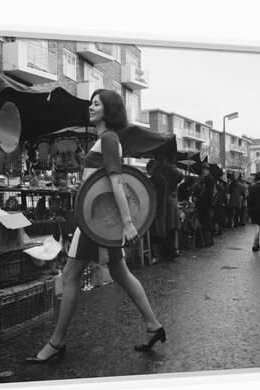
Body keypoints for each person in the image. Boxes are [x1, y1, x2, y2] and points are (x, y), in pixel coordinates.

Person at [26, 89, 165, 363]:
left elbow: (117, 181)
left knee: (71, 275)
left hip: (95, 223)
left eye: (96, 103)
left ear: (109, 109)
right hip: (98, 222)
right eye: (90, 102)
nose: (90, 107)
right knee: (121, 273)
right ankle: (153, 326)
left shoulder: (109, 140)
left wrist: (126, 223)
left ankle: (56, 342)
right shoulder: (105, 139)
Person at [146, 159, 168, 263]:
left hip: (155, 208)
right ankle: (162, 254)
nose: (148, 172)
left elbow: (152, 194)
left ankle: (156, 255)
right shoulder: (161, 178)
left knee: (155, 232)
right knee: (160, 232)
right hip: (161, 208)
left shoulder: (155, 179)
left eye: (148, 169)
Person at [194, 163, 216, 247]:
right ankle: (205, 241)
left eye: (205, 170)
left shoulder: (210, 179)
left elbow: (209, 193)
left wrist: (199, 197)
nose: (204, 171)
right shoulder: (202, 179)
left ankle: (208, 241)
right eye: (203, 169)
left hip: (207, 204)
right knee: (204, 222)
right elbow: (198, 191)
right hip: (201, 204)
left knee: (207, 222)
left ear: (208, 171)